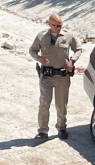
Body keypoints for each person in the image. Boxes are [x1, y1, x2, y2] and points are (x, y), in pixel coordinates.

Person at [29, 13, 82, 141]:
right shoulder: (42, 36)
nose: (58, 28)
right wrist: (38, 58)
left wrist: (72, 61)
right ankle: (42, 130)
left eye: (60, 25)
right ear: (49, 24)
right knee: (44, 103)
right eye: (55, 26)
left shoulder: (68, 36)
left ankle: (61, 127)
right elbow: (32, 50)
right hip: (46, 76)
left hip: (62, 76)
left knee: (61, 104)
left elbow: (78, 49)